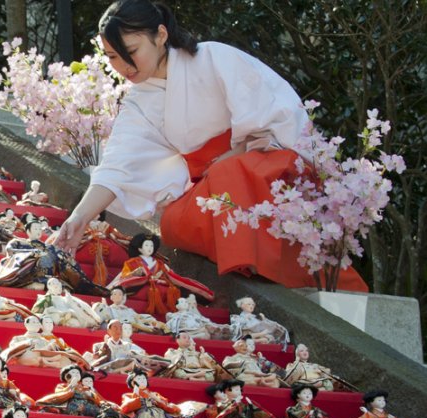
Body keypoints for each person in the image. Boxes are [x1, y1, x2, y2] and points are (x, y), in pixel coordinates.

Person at [47, 0, 366, 291]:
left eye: (131, 50)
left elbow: (274, 116)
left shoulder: (213, 57)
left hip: (271, 166)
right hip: (216, 183)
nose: (125, 65)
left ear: (160, 35)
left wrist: (233, 154)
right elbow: (117, 168)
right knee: (173, 222)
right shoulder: (139, 103)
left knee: (229, 175)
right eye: (114, 56)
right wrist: (79, 218)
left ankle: (264, 266)